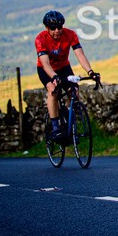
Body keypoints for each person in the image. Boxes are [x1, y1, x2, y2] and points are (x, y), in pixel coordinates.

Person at [35, 10, 100, 140]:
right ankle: (55, 128)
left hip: (64, 67)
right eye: (53, 28)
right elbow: (45, 63)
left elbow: (80, 54)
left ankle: (69, 120)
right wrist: (54, 76)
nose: (57, 30)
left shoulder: (70, 34)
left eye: (60, 27)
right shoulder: (40, 39)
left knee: (74, 91)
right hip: (46, 69)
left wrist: (90, 72)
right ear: (47, 28)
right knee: (53, 90)